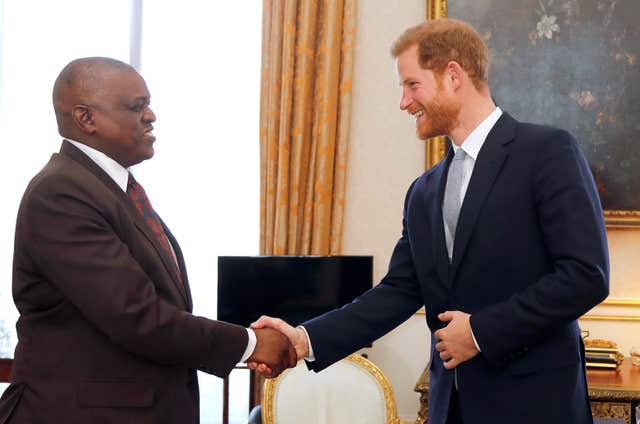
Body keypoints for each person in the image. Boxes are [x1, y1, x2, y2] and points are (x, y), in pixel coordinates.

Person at [251, 18, 609, 424]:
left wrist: (481, 332)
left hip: (536, 406)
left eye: (411, 85)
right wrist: (304, 339)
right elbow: (400, 291)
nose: (404, 102)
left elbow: (586, 275)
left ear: (453, 75)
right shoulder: (424, 191)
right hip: (449, 408)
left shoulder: (548, 152)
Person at [0, 57, 295, 423]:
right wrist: (251, 343)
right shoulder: (61, 192)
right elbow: (136, 316)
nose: (151, 115)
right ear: (86, 118)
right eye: (137, 106)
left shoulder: (111, 189)